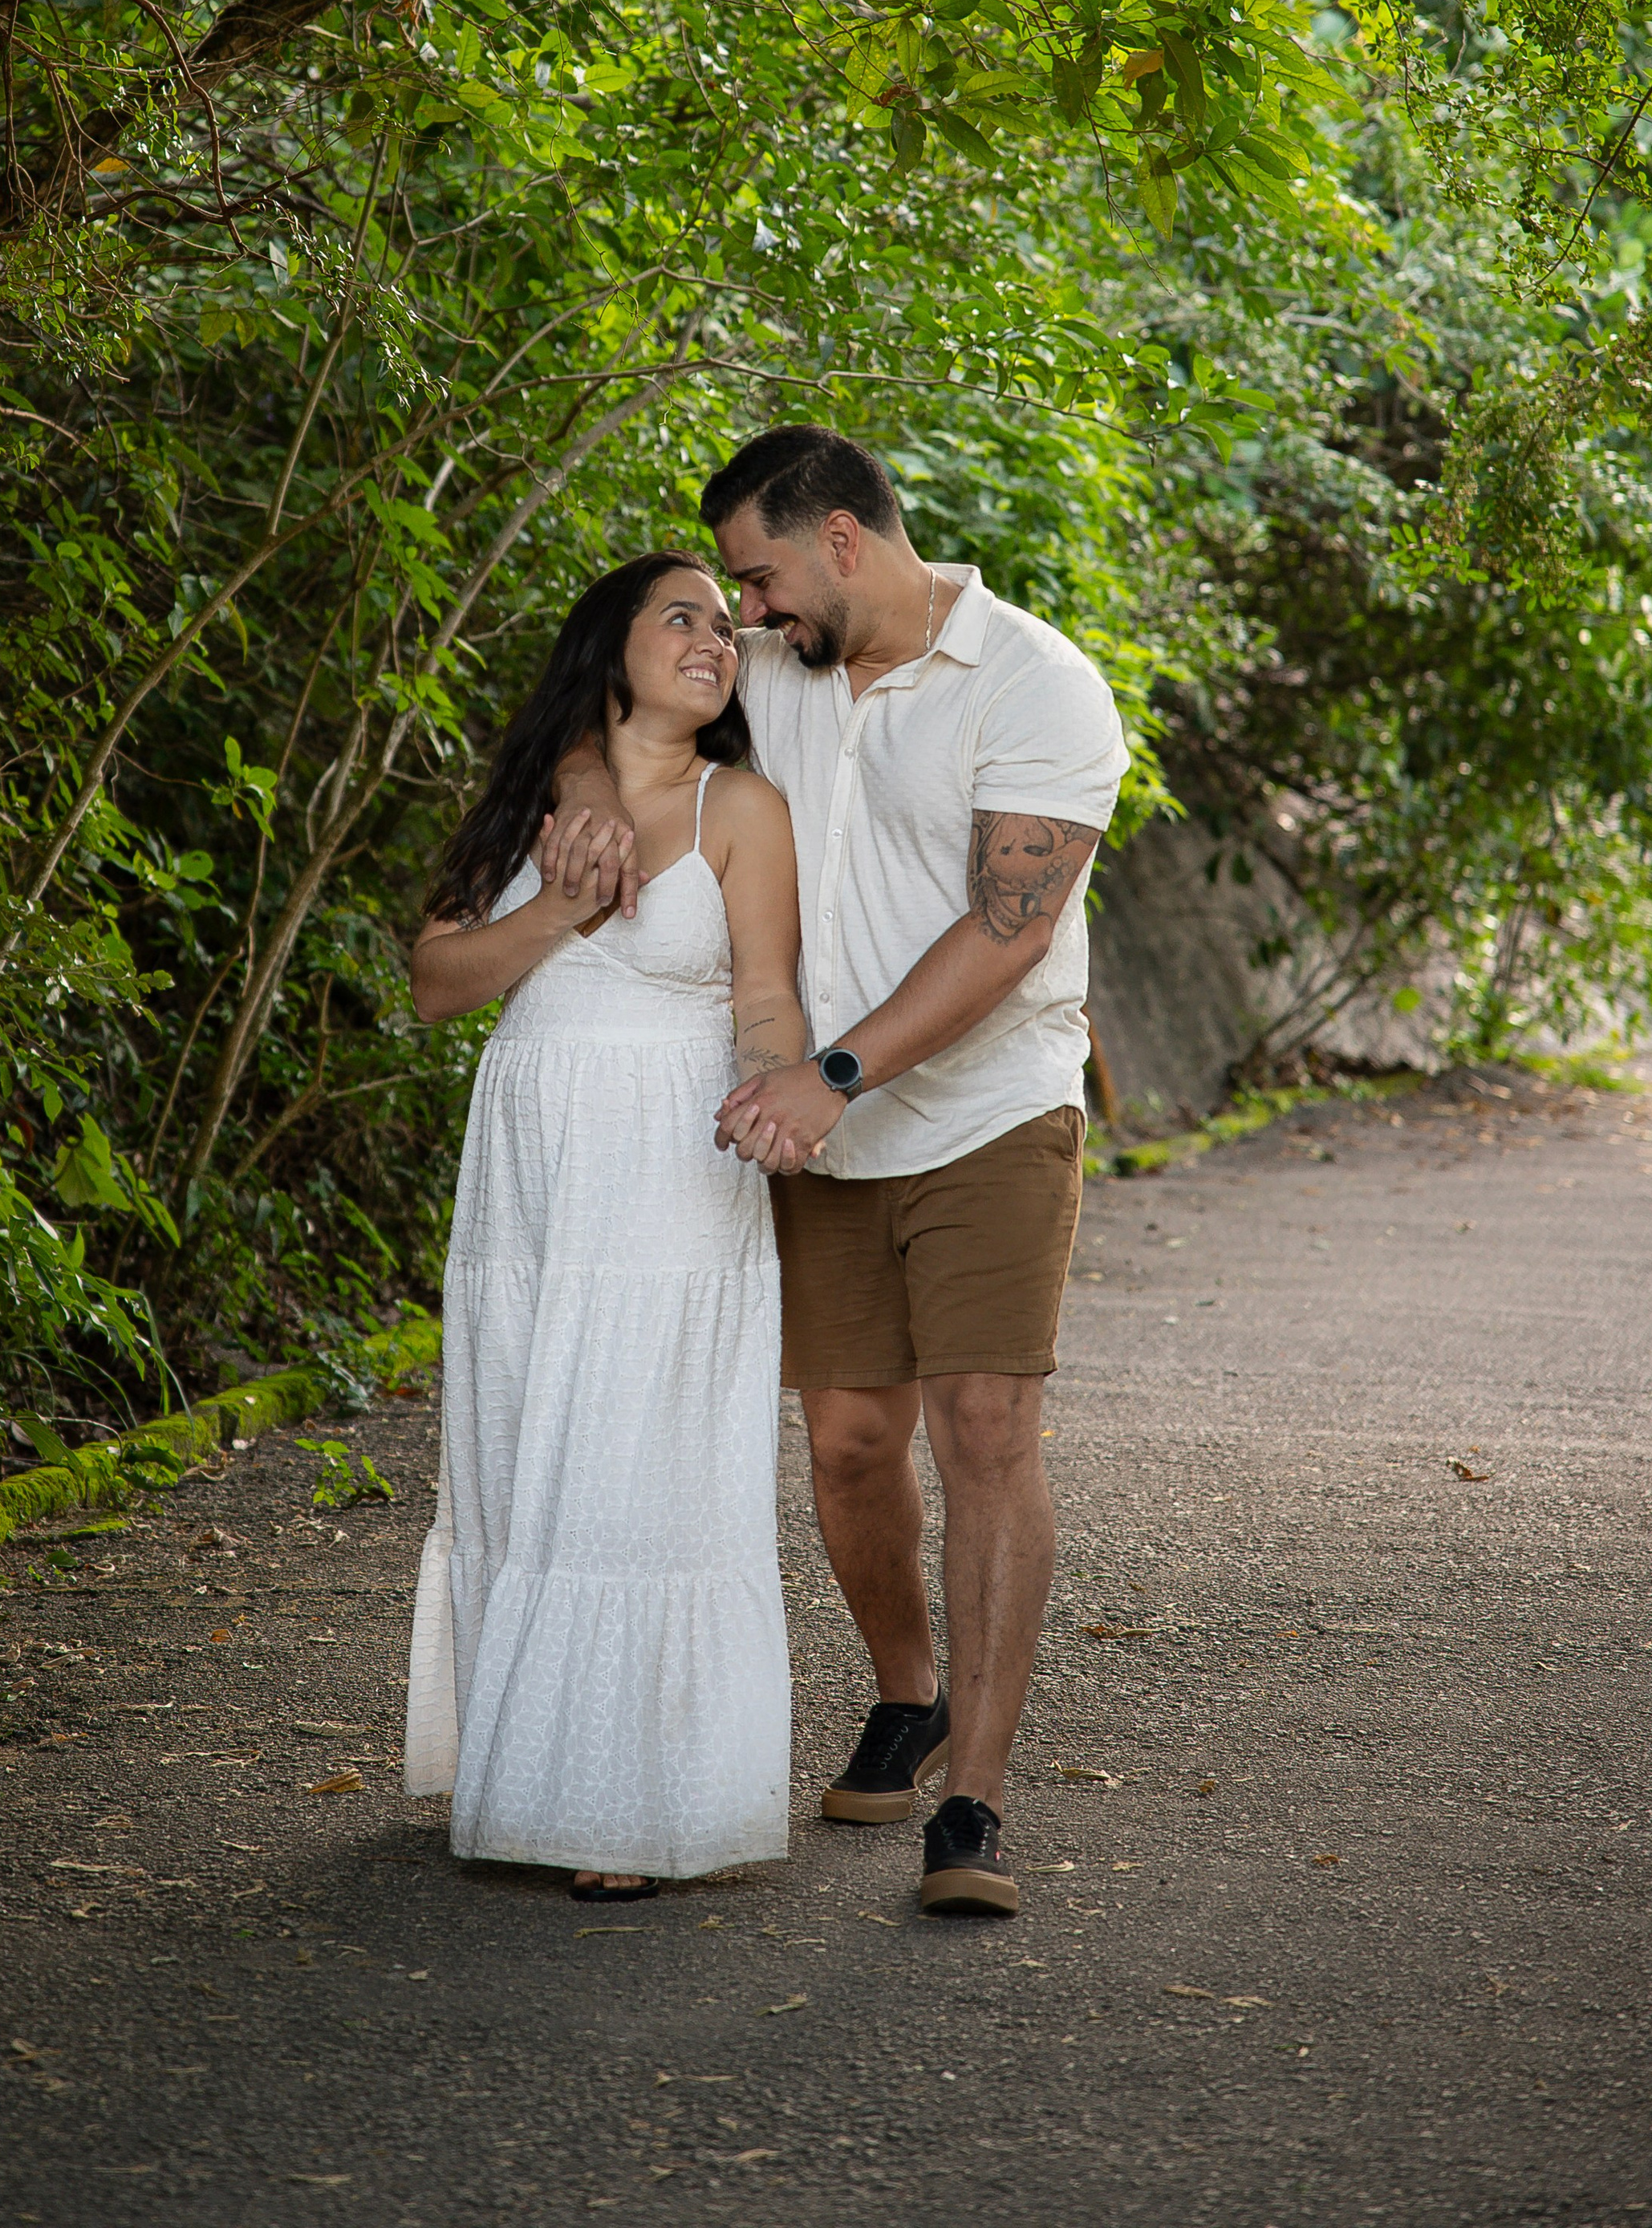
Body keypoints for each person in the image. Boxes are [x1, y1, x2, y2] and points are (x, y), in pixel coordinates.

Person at [556, 429, 1128, 1917]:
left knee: (985, 1429)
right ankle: (909, 1689)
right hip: (830, 1134)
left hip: (988, 1112)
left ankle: (979, 1807)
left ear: (843, 545)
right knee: (850, 1445)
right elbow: (626, 703)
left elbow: (1008, 931)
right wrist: (581, 793)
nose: (744, 613)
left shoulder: (1037, 684)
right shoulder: (782, 665)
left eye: (758, 576)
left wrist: (831, 1074)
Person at [401, 552, 806, 1897]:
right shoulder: (535, 793)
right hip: (531, 1163)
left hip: (671, 1162)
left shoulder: (743, 805)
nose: (712, 639)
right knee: (530, 1440)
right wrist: (567, 908)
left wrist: (784, 1097)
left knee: (644, 1457)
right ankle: (528, 1770)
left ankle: (627, 1806)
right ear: (611, 643)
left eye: (724, 626)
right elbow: (435, 984)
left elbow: (766, 995)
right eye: (678, 617)